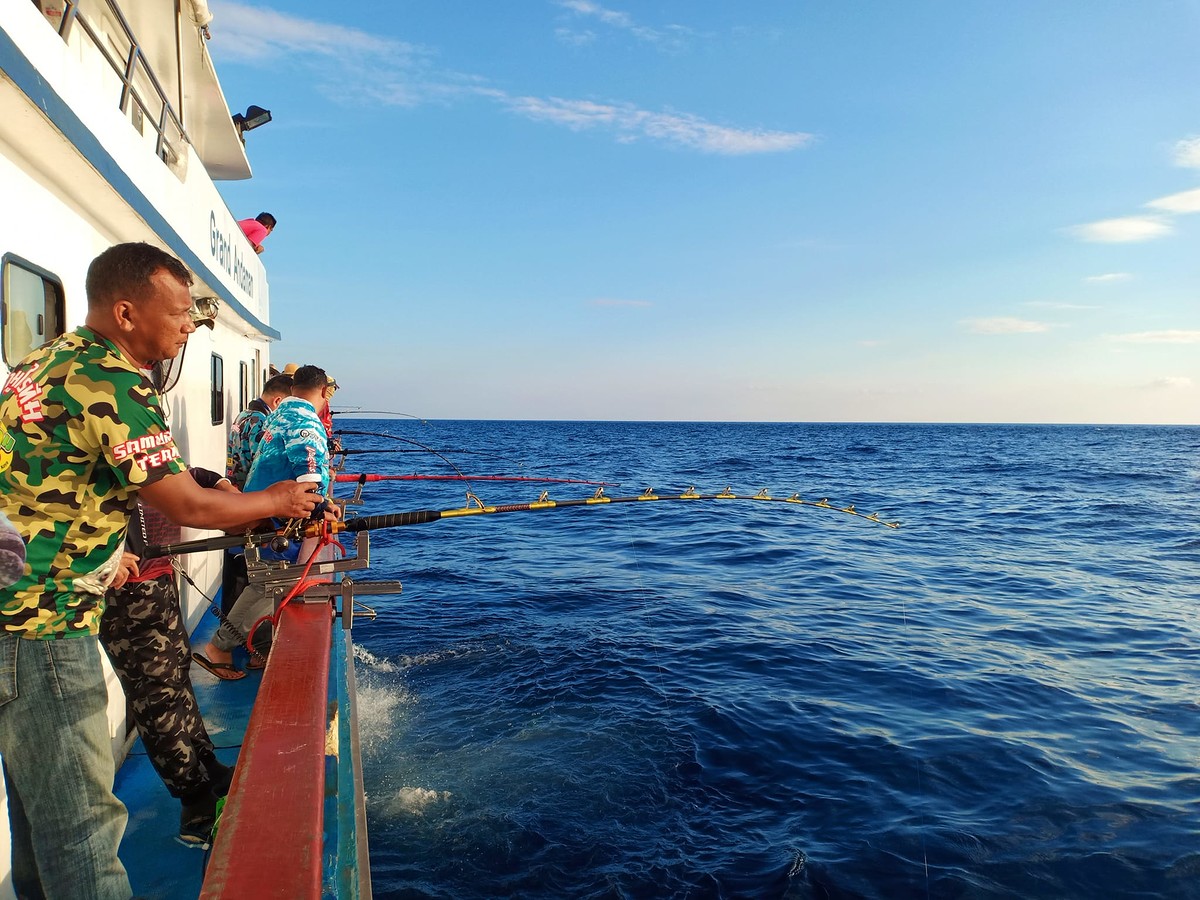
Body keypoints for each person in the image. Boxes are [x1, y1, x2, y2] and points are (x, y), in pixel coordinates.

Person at [0, 242, 320, 899]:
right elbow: (189, 503)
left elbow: (36, 478)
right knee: (83, 831)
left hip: (20, 601)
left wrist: (97, 548)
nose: (188, 326)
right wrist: (284, 501)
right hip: (41, 623)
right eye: (178, 314)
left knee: (38, 818)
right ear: (125, 312)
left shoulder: (46, 362)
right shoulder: (114, 380)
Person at [100, 468, 236, 848]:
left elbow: (180, 473)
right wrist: (106, 554)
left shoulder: (137, 432)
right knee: (156, 699)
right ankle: (194, 803)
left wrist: (219, 482)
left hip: (157, 578)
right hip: (124, 590)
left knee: (178, 676)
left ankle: (208, 766)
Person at [196, 365, 337, 678]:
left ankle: (234, 646)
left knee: (263, 583)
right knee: (277, 582)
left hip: (259, 511)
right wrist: (320, 505)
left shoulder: (278, 413)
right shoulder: (304, 416)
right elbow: (309, 462)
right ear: (323, 392)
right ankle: (225, 645)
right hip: (277, 517)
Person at [226, 372, 293, 488]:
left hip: (234, 488)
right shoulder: (261, 422)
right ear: (277, 401)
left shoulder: (242, 415)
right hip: (250, 494)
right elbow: (264, 463)